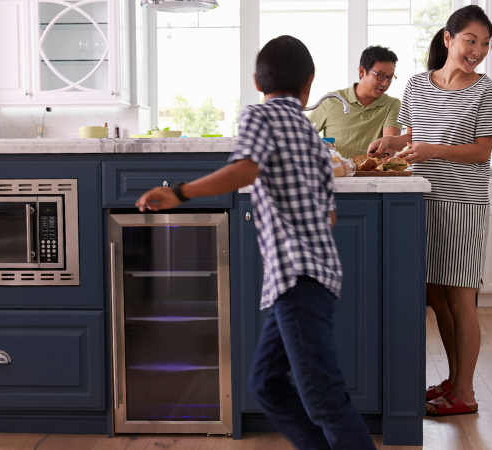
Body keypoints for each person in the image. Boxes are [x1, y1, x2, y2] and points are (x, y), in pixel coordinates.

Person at [135, 35, 375, 450]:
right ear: (309, 84)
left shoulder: (259, 117)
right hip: (310, 278)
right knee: (265, 383)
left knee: (322, 398)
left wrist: (180, 193)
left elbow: (243, 170)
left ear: (256, 81)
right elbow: (330, 215)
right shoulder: (312, 136)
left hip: (295, 277)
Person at [367, 5, 492, 416]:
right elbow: (412, 135)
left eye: (483, 43)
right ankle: (454, 378)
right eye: (469, 40)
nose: (476, 50)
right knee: (436, 296)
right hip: (421, 198)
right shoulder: (417, 85)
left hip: (463, 202)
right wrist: (392, 145)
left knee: (461, 296)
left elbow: (482, 151)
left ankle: (466, 392)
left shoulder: (486, 90)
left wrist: (431, 150)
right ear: (448, 39)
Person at [307, 45, 401, 158]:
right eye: (380, 76)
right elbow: (303, 136)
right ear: (362, 71)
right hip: (337, 174)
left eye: (390, 77)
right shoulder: (331, 100)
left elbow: (389, 146)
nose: (385, 83)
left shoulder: (392, 105)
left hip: (373, 174)